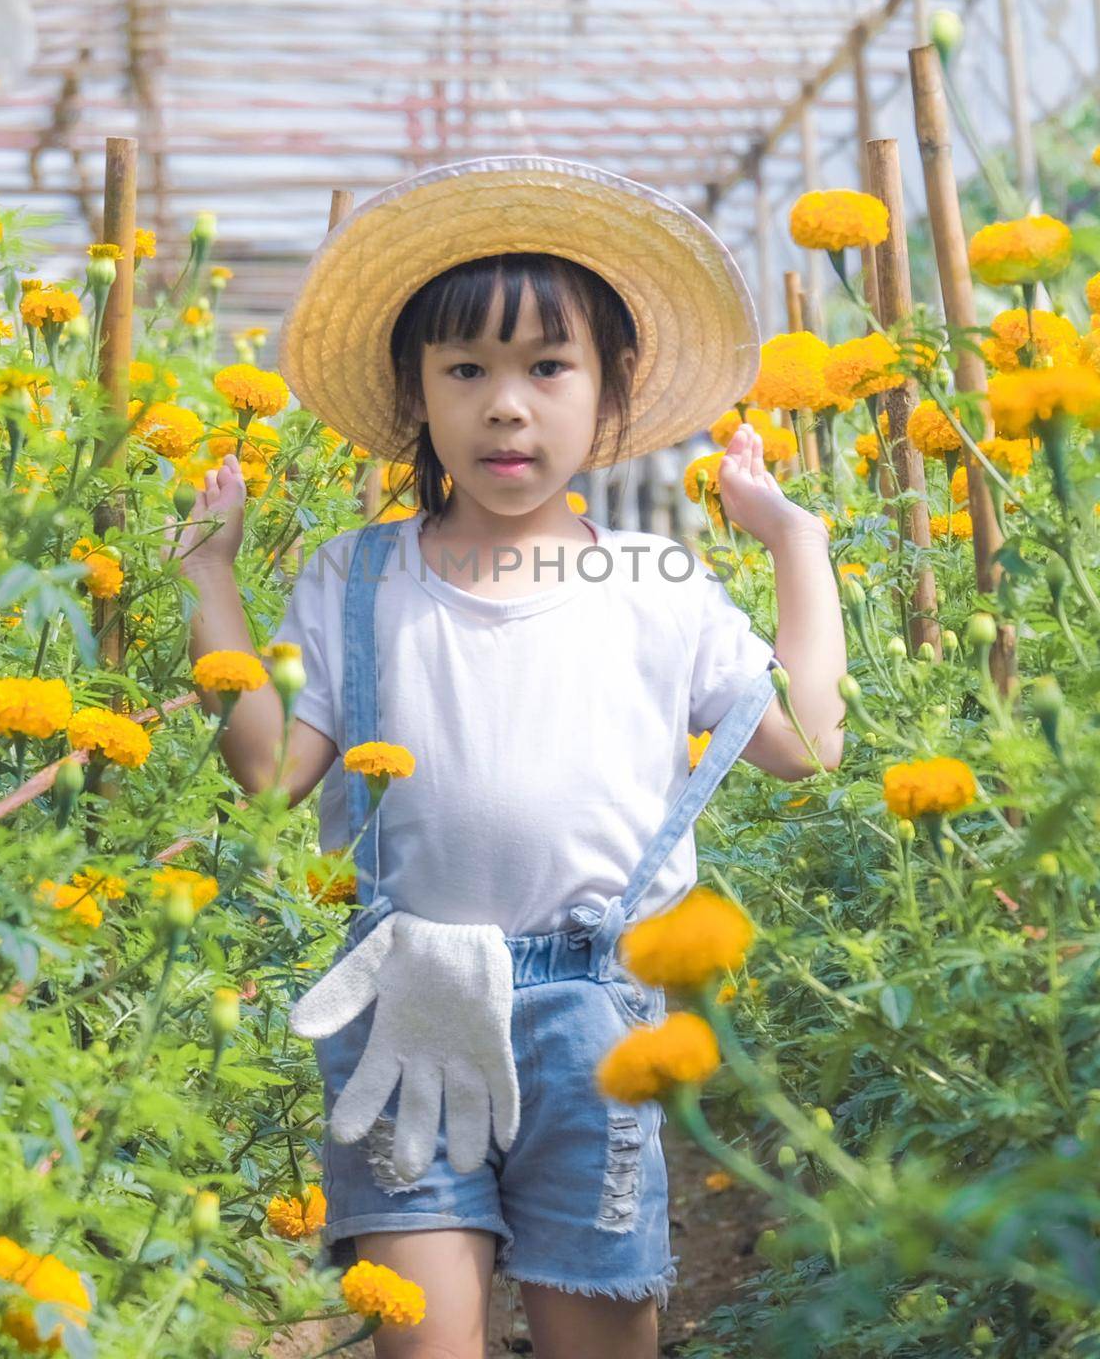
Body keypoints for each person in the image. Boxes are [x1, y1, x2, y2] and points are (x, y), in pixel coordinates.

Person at [171, 158, 846, 1359]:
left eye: (548, 367)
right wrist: (207, 581)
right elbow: (271, 772)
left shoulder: (655, 581)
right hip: (412, 992)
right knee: (426, 1340)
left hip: (600, 1000)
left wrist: (796, 541)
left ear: (610, 389)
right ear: (416, 392)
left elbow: (806, 740)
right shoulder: (355, 576)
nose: (506, 406)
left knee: (602, 1337)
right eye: (466, 370)